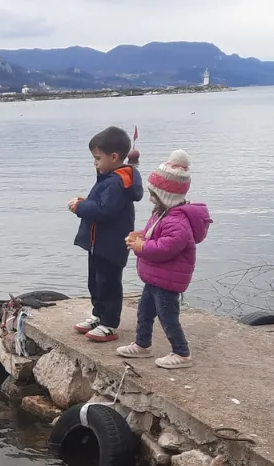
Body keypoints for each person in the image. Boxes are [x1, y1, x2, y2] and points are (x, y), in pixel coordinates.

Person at [117, 149, 211, 369]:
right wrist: (141, 235)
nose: (150, 198)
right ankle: (142, 344)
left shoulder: (177, 221)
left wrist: (141, 247)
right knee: (145, 311)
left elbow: (166, 247)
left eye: (154, 194)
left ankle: (182, 352)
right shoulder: (162, 213)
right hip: (155, 277)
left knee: (168, 316)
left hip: (168, 280)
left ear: (166, 195)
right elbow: (156, 235)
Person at [68, 126, 143, 342]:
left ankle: (109, 323)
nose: (95, 163)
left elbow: (104, 210)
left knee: (109, 283)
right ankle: (98, 315)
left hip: (111, 244)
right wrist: (85, 204)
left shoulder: (118, 181)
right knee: (95, 280)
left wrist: (81, 207)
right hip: (97, 243)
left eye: (97, 158)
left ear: (114, 157)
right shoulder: (108, 178)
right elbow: (100, 205)